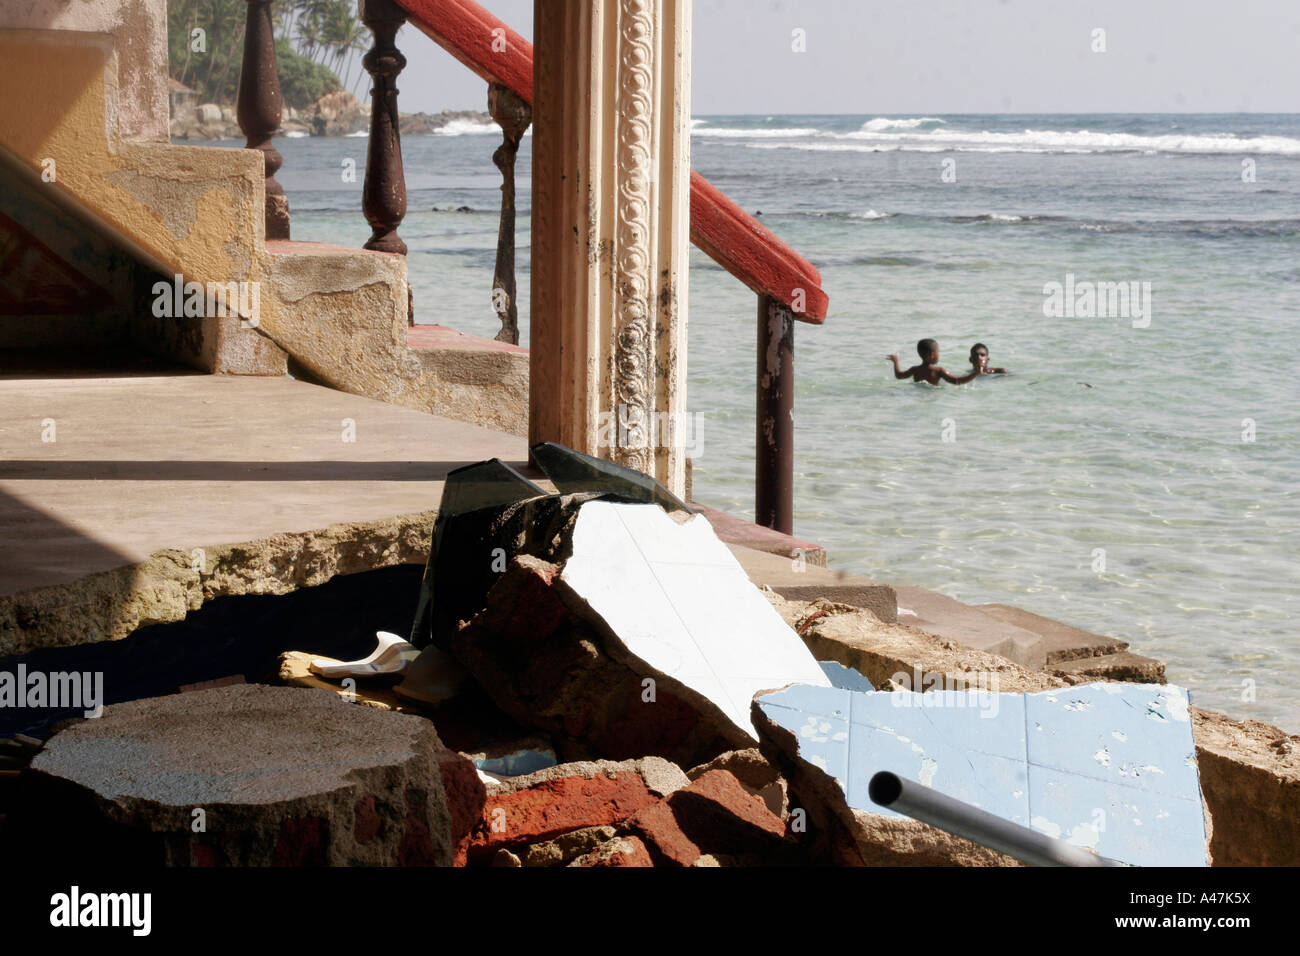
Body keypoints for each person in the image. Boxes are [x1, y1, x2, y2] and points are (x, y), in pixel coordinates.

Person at [888, 338, 982, 385]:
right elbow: (956, 381)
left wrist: (895, 361)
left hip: (917, 393)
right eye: (938, 352)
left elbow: (899, 376)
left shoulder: (914, 369)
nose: (939, 354)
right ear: (933, 355)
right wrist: (975, 374)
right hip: (933, 394)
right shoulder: (939, 371)